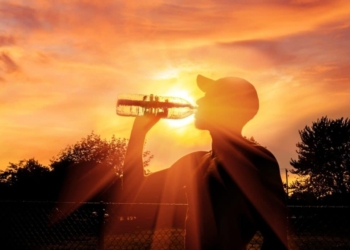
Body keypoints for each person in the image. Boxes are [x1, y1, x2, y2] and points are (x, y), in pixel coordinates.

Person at [122, 75, 288, 249]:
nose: (199, 101)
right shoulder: (195, 161)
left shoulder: (256, 160)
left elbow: (276, 241)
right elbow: (134, 191)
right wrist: (139, 130)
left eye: (210, 98)